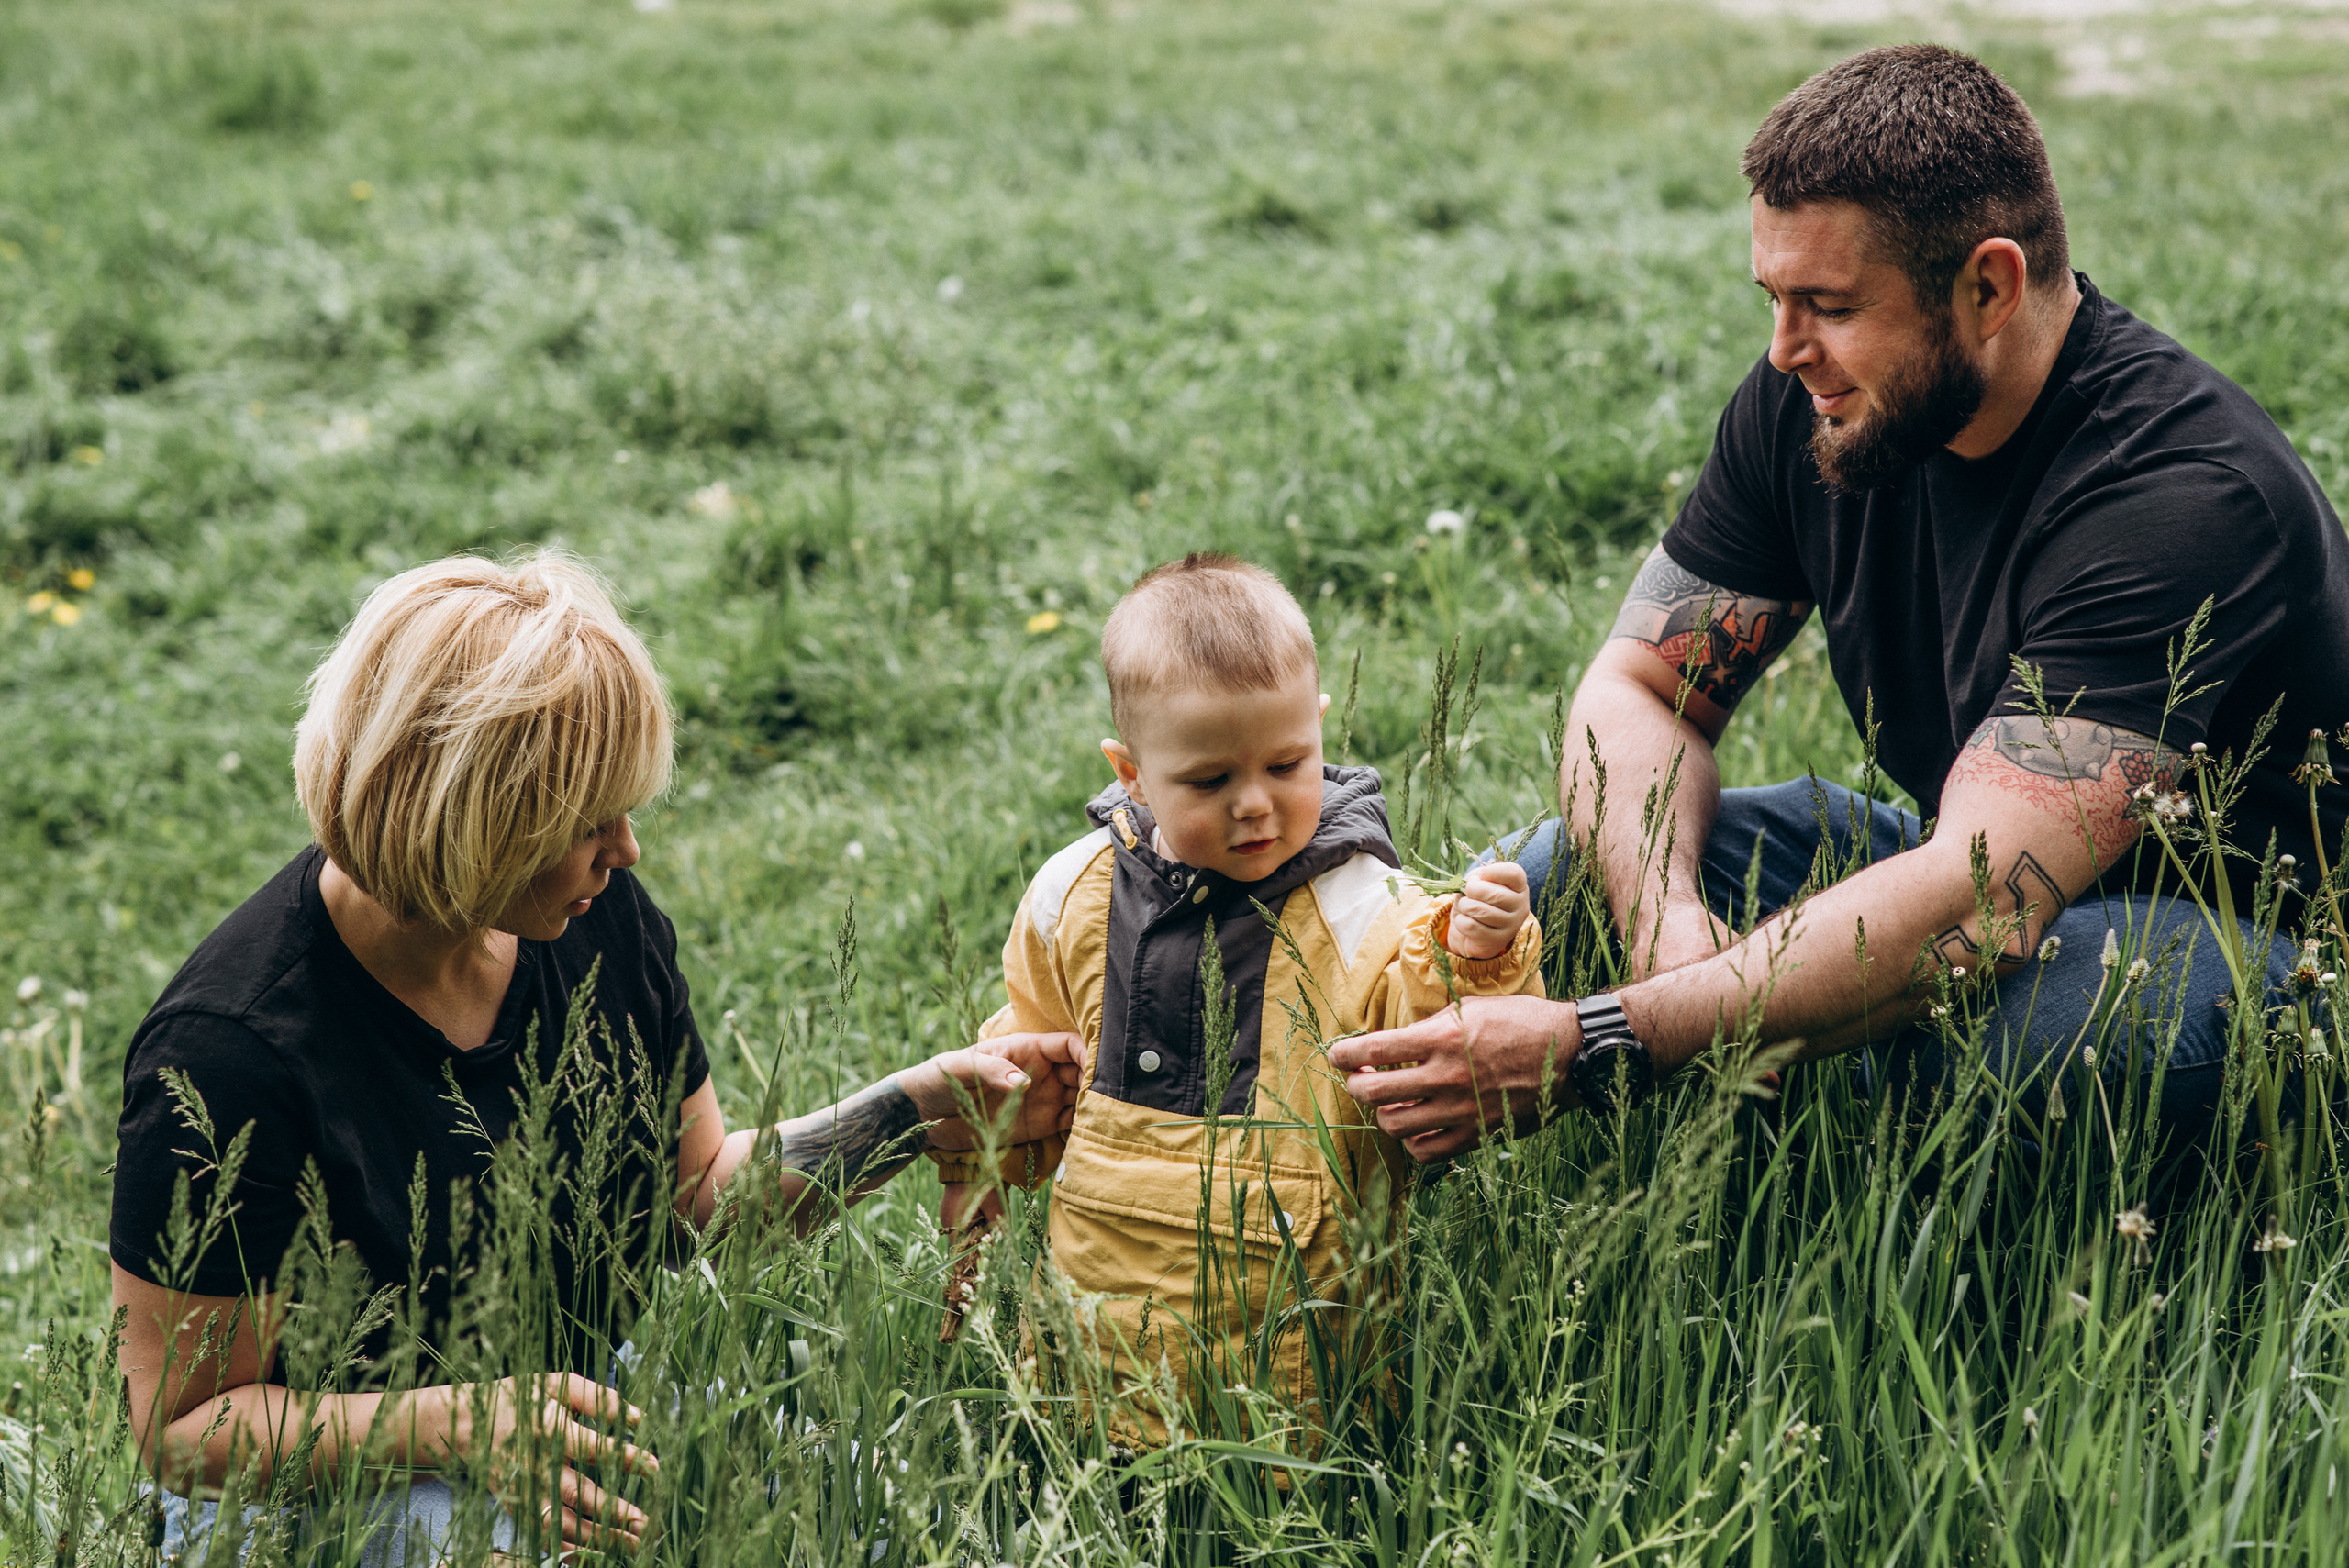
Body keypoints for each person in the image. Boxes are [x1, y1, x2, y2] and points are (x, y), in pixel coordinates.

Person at [1329, 45, 2349, 1160]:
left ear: (1989, 285)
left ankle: (1828, 1080)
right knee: (1547, 885)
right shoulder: (1819, 402)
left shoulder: (2182, 495)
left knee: (2039, 1038)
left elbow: (1976, 902)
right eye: (1772, 298)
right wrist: (1668, 922)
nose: (1784, 350)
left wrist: (1606, 1037)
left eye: (1828, 305)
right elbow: (1635, 687)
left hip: (2254, 944)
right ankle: (1811, 1031)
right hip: (1964, 845)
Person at [108, 551, 1084, 1563]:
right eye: (586, 821)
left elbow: (696, 1197)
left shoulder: (597, 921)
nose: (625, 848)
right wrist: (454, 1423)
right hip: (330, 1488)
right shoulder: (230, 1054)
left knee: (879, 1521)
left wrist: (908, 1113)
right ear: (474, 817)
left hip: (561, 1409)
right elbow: (180, 1428)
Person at [930, 553, 1541, 1446]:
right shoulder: (1075, 894)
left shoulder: (1356, 900)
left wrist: (1473, 953)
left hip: (1297, 1359)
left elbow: (1431, 1039)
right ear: (1131, 771)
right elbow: (1026, 1057)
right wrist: (981, 1152)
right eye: (1210, 780)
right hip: (1093, 1329)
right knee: (1093, 1488)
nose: (1255, 804)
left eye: (1286, 762)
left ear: (1320, 729)